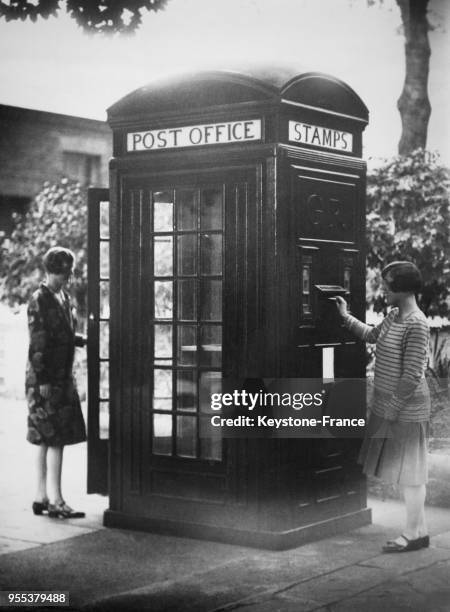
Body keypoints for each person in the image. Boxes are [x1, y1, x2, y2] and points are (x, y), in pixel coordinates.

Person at [334, 261, 431, 553]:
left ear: (403, 289)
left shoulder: (417, 322)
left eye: (388, 285)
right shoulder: (394, 316)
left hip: (407, 410)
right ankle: (420, 531)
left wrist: (390, 409)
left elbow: (413, 375)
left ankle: (413, 534)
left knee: (411, 475)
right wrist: (345, 316)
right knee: (407, 474)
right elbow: (371, 336)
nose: (384, 290)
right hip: (391, 406)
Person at [26, 246, 87, 519]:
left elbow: (61, 334)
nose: (68, 279)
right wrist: (43, 380)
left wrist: (82, 339)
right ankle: (56, 501)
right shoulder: (39, 299)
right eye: (65, 273)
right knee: (55, 440)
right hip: (48, 380)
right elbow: (38, 341)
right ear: (54, 270)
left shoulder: (60, 296)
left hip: (57, 377)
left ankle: (41, 496)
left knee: (44, 439)